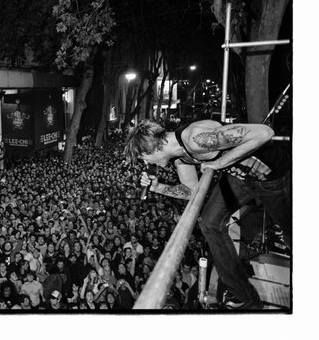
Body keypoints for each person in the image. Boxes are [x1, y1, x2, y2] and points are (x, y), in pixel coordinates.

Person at [124, 119, 291, 310]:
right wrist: (158, 187)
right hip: (240, 178)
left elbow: (264, 133)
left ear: (150, 149)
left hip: (272, 177)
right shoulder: (181, 157)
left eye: (143, 158)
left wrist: (219, 163)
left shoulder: (195, 138)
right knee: (209, 223)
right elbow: (192, 191)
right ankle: (246, 297)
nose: (146, 163)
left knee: (290, 233)